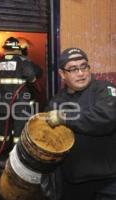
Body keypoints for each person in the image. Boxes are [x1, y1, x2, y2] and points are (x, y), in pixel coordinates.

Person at [44, 47, 116, 200]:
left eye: (84, 66)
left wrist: (65, 118)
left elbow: (106, 118)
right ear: (62, 74)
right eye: (73, 69)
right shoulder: (56, 101)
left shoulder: (105, 90)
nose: (81, 73)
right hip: (72, 182)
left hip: (108, 180)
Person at [0, 37, 37, 149]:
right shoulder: (23, 61)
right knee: (19, 126)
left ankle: (1, 148)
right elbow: (31, 76)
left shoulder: (0, 62)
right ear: (17, 48)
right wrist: (32, 80)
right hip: (20, 101)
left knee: (4, 126)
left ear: (6, 49)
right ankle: (18, 151)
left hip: (4, 101)